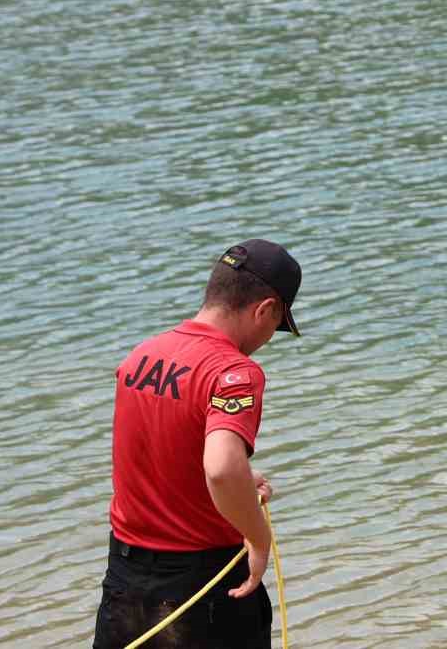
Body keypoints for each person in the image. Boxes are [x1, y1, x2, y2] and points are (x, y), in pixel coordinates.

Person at [93, 239, 302, 649]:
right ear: (267, 310)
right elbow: (221, 469)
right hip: (203, 592)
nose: (267, 340)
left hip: (124, 583)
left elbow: (155, 457)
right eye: (275, 327)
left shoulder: (141, 356)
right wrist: (259, 539)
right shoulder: (235, 373)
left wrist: (242, 478)